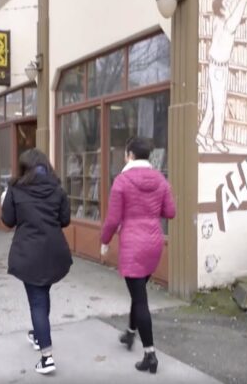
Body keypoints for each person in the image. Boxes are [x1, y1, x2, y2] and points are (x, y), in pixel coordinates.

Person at [100, 137, 176, 374]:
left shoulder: (122, 181)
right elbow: (170, 212)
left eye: (125, 152)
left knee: (140, 299)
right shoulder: (161, 180)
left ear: (130, 154)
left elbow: (113, 219)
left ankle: (150, 355)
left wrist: (104, 241)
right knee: (138, 291)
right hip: (154, 243)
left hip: (133, 243)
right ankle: (130, 334)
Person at [1, 149, 72, 375]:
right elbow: (65, 220)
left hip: (29, 254)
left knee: (37, 301)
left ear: (24, 167)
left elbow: (8, 220)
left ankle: (47, 356)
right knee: (42, 294)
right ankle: (38, 334)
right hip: (54, 252)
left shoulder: (16, 189)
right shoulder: (57, 189)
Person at [197, 0, 247, 153]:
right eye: (226, 4)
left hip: (214, 66)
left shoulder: (217, 20)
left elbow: (231, 8)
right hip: (219, 68)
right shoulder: (228, 25)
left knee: (211, 106)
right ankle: (217, 139)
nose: (229, 5)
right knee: (219, 105)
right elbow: (236, 15)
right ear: (222, 9)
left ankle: (201, 134)